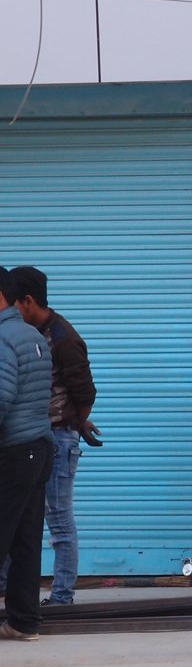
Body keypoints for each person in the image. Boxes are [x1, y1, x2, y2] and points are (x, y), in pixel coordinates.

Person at [7, 267, 97, 606]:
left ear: (28, 302)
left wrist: (76, 422)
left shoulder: (62, 337)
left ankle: (62, 597)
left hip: (58, 438)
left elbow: (85, 391)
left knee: (59, 520)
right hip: (40, 438)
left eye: (13, 304)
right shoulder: (35, 331)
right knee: (21, 516)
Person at [0, 267, 54, 641]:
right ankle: (23, 622)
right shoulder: (30, 334)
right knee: (25, 540)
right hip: (38, 448)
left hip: (14, 453)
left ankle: (22, 621)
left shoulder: (3, 337)